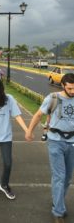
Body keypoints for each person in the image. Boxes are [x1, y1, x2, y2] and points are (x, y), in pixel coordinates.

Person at [25, 73, 74, 223]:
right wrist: (29, 131)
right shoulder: (53, 98)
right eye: (70, 88)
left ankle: (57, 200)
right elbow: (38, 115)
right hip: (55, 142)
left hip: (72, 142)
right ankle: (58, 212)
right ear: (63, 85)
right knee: (59, 177)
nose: (73, 91)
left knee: (67, 179)